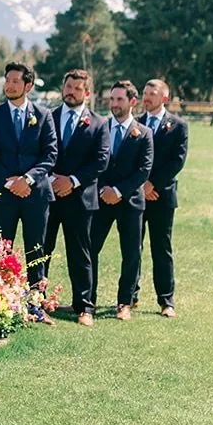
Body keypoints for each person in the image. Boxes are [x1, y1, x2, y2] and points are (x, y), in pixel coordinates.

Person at [0, 61, 58, 287]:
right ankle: (0, 301)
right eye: (7, 81)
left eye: (15, 81)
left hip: (36, 195)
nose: (9, 86)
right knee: (1, 249)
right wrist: (11, 182)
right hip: (3, 194)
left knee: (36, 249)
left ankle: (36, 303)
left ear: (28, 86)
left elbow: (50, 155)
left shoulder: (43, 115)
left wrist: (28, 180)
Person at [46, 69, 111, 327]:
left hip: (80, 199)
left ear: (87, 93)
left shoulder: (98, 123)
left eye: (76, 87)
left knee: (80, 253)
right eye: (68, 86)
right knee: (41, 250)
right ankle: (35, 302)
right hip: (49, 196)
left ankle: (84, 306)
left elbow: (101, 160)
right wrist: (52, 179)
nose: (70, 91)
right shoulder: (47, 118)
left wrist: (71, 181)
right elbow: (40, 152)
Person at [91, 80, 154, 320]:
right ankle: (88, 300)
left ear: (132, 102)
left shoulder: (144, 133)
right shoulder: (100, 128)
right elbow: (93, 163)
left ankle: (124, 302)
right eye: (112, 99)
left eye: (119, 99)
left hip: (130, 202)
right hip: (101, 200)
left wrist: (118, 191)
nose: (114, 104)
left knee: (131, 253)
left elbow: (143, 170)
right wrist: (102, 190)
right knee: (90, 249)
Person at [137, 79, 189, 318]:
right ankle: (129, 296)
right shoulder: (135, 123)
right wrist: (141, 185)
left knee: (161, 249)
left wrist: (152, 184)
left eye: (152, 93)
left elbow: (176, 161)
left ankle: (166, 300)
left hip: (161, 195)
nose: (147, 97)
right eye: (145, 93)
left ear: (165, 98)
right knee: (132, 247)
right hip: (136, 196)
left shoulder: (178, 126)